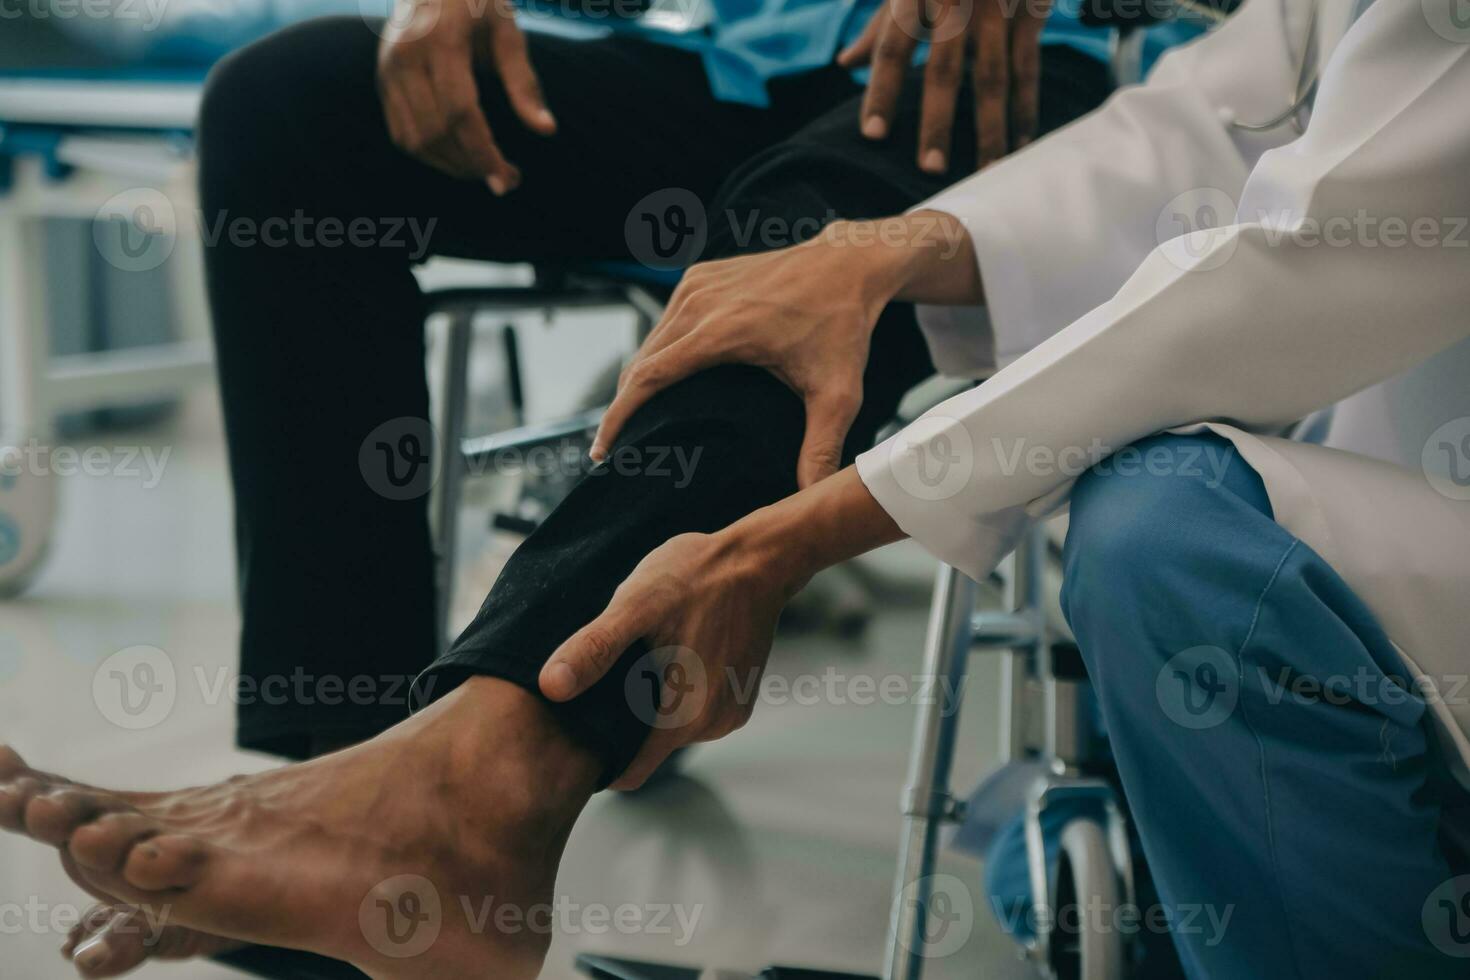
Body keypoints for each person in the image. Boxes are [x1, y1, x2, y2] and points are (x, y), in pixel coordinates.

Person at [10, 1, 1461, 978]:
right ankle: (337, 792)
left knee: (810, 231)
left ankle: (476, 789)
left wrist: (795, 522)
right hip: (702, 50)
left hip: (963, 75)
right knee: (284, 104)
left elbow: (1295, 188)